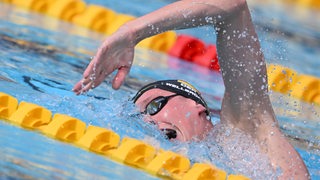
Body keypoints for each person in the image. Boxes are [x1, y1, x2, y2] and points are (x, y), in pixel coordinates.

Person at [72, 0, 309, 179]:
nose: (148, 120)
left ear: (196, 106)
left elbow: (233, 6)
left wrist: (133, 31)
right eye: (140, 116)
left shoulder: (248, 133)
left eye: (155, 105)